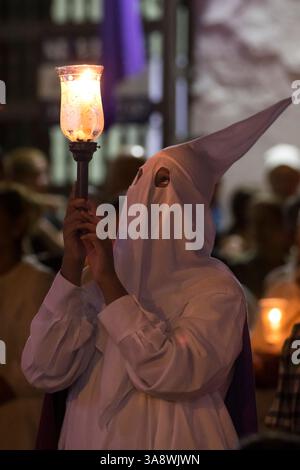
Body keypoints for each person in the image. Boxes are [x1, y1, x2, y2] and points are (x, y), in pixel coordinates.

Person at [21, 98, 291, 450]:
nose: (154, 198)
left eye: (168, 183)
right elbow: (43, 369)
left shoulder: (215, 287)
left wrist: (113, 290)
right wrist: (72, 269)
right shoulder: (95, 276)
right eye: (144, 180)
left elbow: (172, 371)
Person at [0, 183, 54, 449]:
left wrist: (7, 382)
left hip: (20, 417)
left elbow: (39, 356)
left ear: (16, 225)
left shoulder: (36, 282)